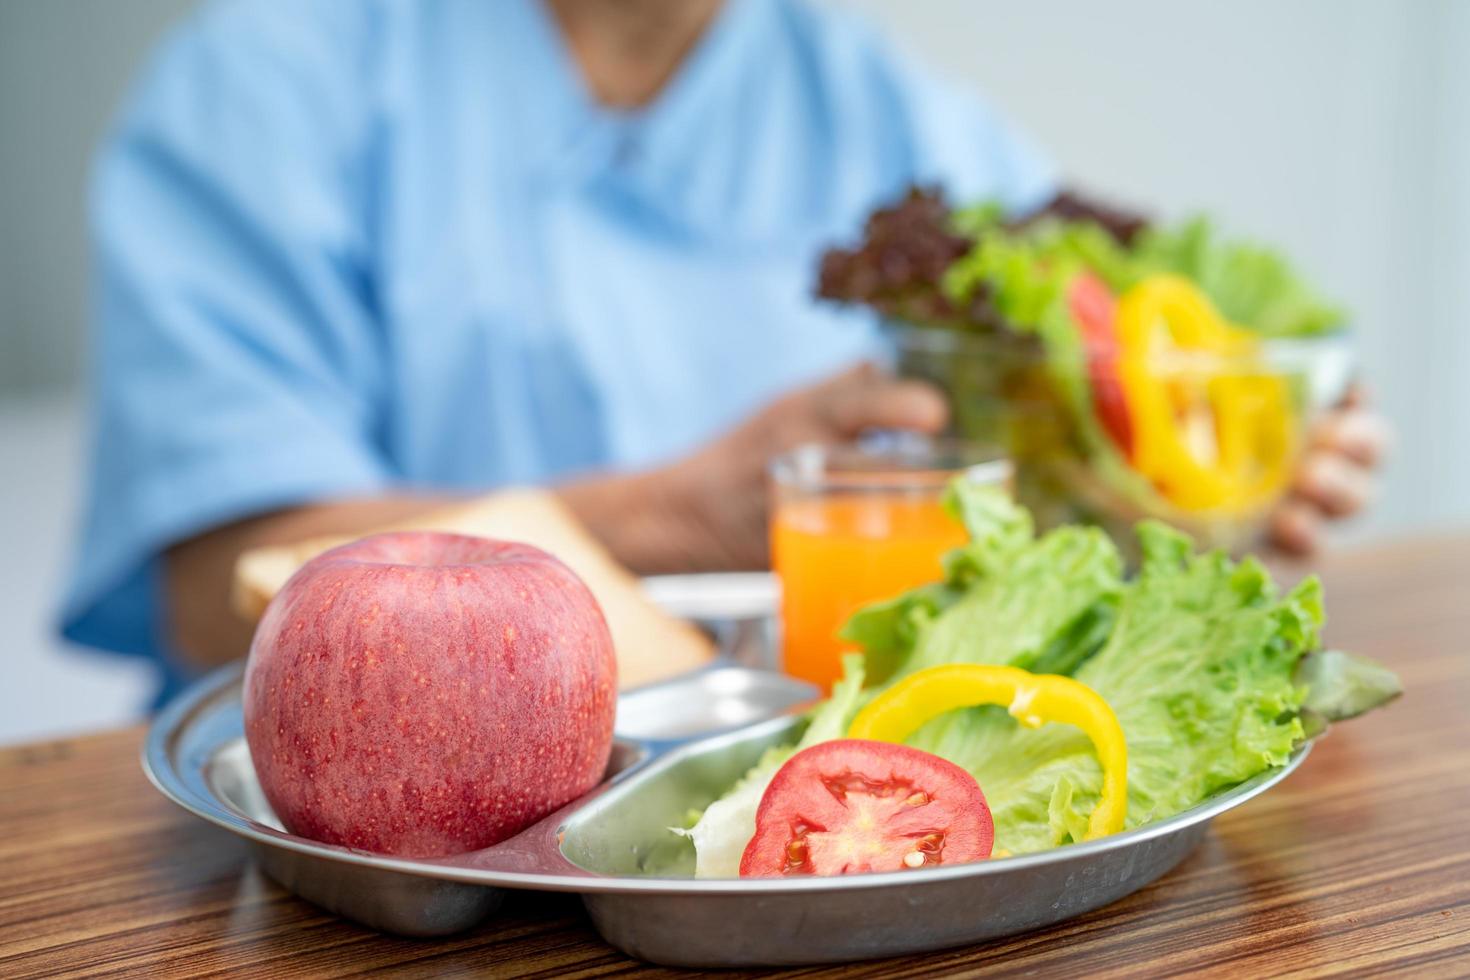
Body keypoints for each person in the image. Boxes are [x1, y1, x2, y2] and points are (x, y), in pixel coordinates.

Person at [60, 0, 1387, 700]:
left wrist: (1223, 453)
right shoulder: (265, 80)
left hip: (771, 802)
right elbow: (218, 585)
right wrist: (677, 512)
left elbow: (1093, 387)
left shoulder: (873, 99)